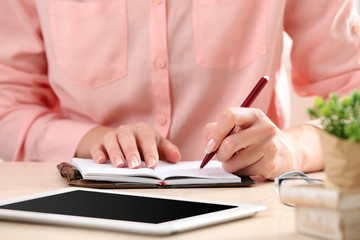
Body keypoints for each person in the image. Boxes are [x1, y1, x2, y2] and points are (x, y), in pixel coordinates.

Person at [0, 0, 359, 180]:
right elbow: (8, 105)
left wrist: (289, 150)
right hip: (76, 206)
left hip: (250, 212)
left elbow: (353, 98)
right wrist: (91, 139)